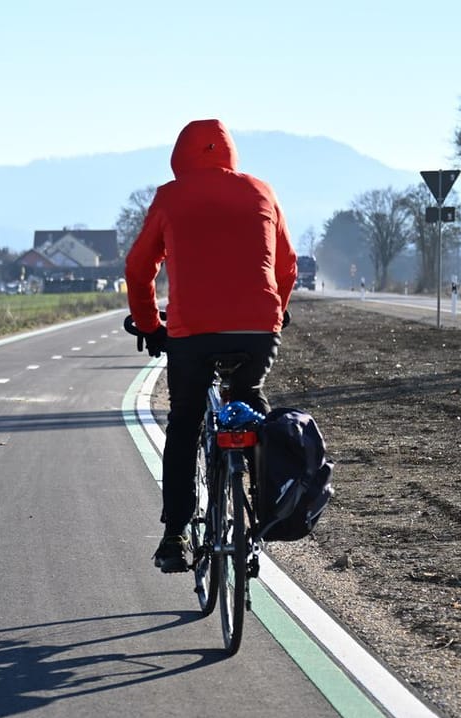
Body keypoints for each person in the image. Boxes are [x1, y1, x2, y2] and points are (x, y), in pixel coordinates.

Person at [122, 118, 296, 573]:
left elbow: (139, 269)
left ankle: (175, 535)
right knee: (251, 404)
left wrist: (149, 325)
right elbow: (288, 265)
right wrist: (275, 311)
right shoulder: (262, 190)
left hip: (192, 332)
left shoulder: (170, 197)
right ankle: (260, 517)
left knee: (184, 424)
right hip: (258, 330)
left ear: (179, 157)